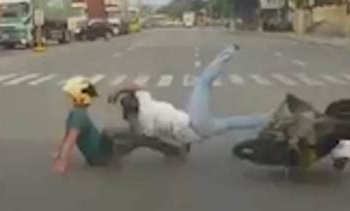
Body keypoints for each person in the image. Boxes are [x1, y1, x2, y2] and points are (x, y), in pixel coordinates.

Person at [109, 44, 268, 147]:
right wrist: (117, 93)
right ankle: (229, 51)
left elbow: (142, 135)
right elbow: (135, 88)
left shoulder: (144, 119)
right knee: (203, 82)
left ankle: (266, 119)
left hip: (195, 126)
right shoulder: (145, 105)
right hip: (195, 123)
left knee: (230, 123)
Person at [53, 76, 181, 175]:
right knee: (141, 137)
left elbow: (68, 138)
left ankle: (173, 148)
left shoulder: (76, 114)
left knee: (116, 132)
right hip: (103, 156)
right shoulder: (78, 115)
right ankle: (175, 149)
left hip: (103, 152)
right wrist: (62, 160)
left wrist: (60, 157)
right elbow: (70, 139)